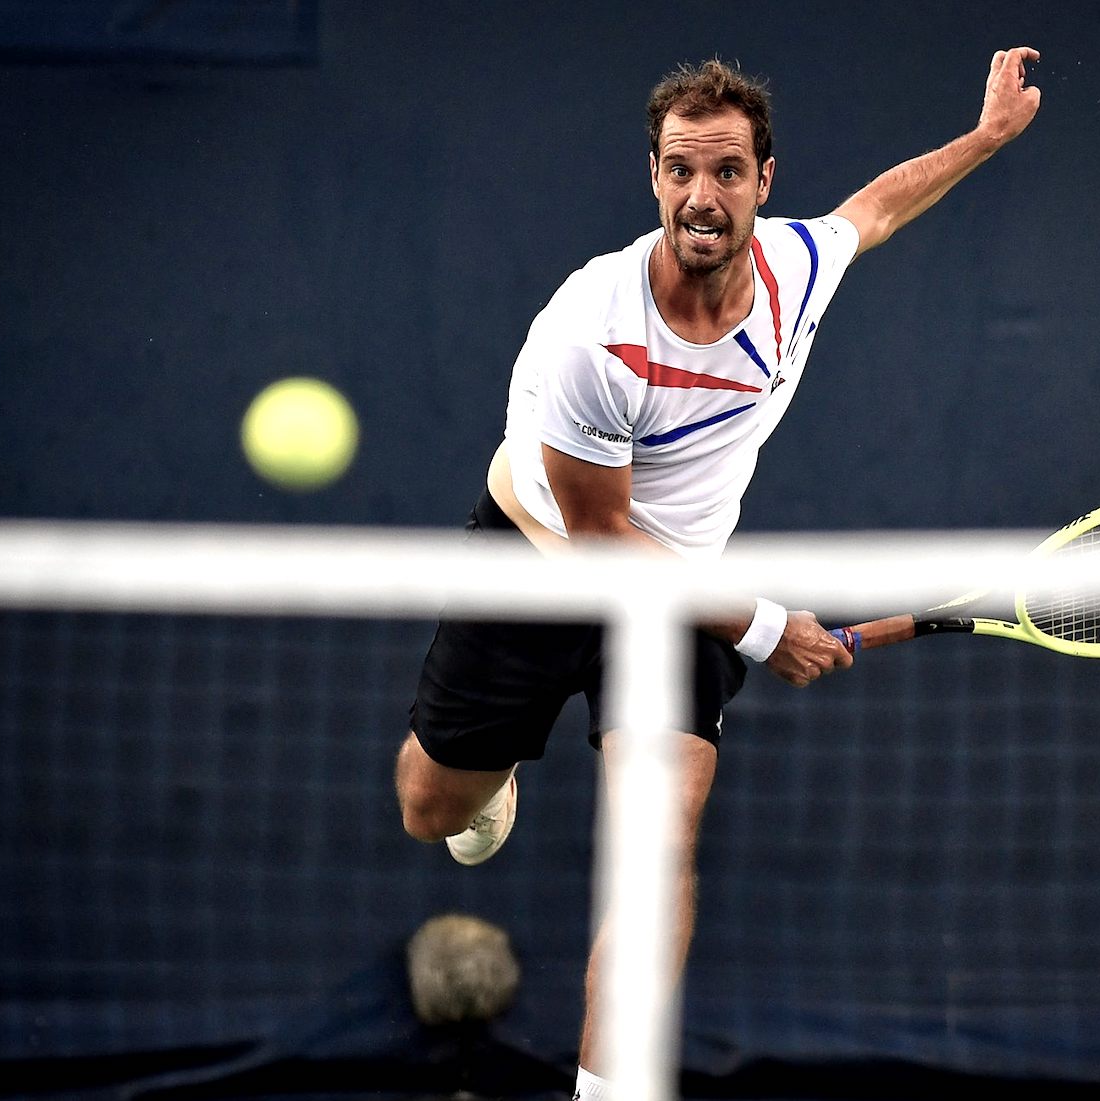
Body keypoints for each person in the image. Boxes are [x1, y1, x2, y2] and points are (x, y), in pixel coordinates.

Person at [397, 46, 1042, 1101]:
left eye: (728, 172)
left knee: (657, 846)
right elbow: (603, 544)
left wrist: (985, 137)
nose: (704, 196)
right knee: (429, 807)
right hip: (546, 562)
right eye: (681, 171)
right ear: (653, 178)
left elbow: (873, 210)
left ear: (763, 181)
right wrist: (757, 626)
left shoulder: (793, 270)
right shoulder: (594, 333)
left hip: (677, 593)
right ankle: (490, 774)